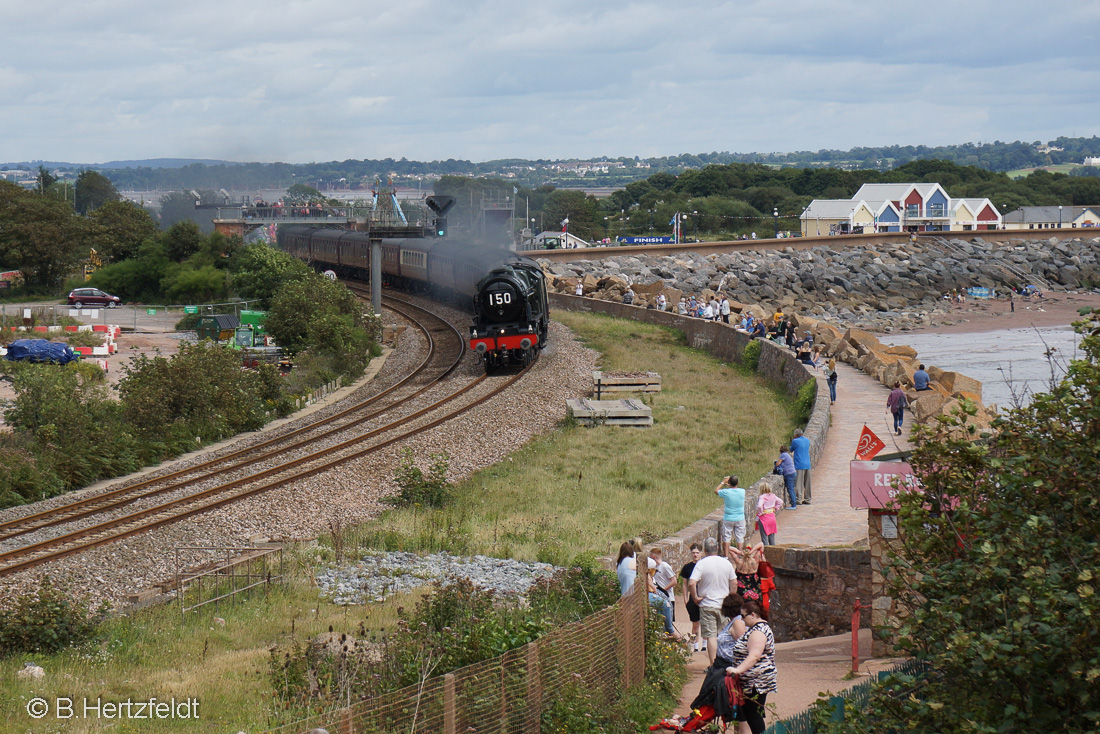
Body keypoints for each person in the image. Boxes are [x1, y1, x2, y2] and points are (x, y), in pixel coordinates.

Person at [687, 594, 747, 725]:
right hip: (721, 665)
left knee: (717, 700)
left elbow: (743, 646)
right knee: (710, 698)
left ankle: (699, 723)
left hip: (727, 667)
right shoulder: (733, 621)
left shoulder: (737, 623)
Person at [726, 600, 778, 734]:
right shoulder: (755, 629)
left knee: (754, 714)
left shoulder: (759, 631)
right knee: (751, 713)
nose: (742, 620)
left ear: (753, 614)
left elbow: (754, 655)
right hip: (752, 679)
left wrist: (738, 670)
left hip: (756, 681)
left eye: (744, 616)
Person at [689, 537, 737, 664]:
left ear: (704, 550)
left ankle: (712, 664)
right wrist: (731, 598)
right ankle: (723, 662)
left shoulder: (701, 564)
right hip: (723, 603)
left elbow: (692, 583)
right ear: (717, 548)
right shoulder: (726, 563)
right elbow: (734, 582)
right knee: (723, 635)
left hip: (707, 604)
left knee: (711, 636)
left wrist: (695, 598)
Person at [646, 559, 683, 640]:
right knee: (665, 604)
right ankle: (670, 630)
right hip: (650, 594)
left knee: (665, 604)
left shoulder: (651, 576)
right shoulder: (648, 575)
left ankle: (666, 629)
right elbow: (652, 587)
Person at [679, 543, 704, 651]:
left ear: (701, 553)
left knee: (706, 622)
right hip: (692, 597)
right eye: (693, 553)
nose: (695, 555)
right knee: (695, 623)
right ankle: (695, 644)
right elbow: (685, 583)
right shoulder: (687, 567)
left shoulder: (704, 565)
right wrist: (685, 598)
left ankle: (705, 645)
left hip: (703, 595)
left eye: (697, 553)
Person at [715, 475, 746, 558]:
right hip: (740, 517)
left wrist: (723, 482)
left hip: (728, 518)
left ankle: (726, 556)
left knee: (726, 537)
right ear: (738, 483)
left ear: (729, 483)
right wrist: (730, 484)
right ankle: (740, 554)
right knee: (739, 537)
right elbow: (735, 489)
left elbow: (716, 491)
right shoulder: (742, 491)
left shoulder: (726, 492)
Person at [791, 429, 812, 505]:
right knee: (807, 482)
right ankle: (808, 499)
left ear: (796, 435)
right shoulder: (807, 440)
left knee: (799, 483)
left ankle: (798, 499)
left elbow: (791, 449)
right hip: (807, 464)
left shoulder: (795, 441)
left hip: (799, 464)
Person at [774, 446, 797, 510]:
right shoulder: (787, 455)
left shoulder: (783, 455)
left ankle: (793, 504)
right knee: (792, 488)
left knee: (790, 489)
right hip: (793, 473)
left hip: (789, 474)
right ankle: (794, 502)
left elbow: (777, 464)